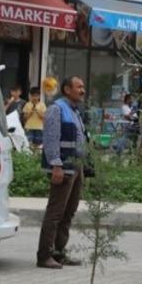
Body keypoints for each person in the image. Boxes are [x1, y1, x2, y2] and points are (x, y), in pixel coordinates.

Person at [37, 76, 88, 269]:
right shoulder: (56, 109)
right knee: (55, 213)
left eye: (82, 87)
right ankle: (44, 255)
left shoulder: (75, 111)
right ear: (67, 89)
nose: (82, 90)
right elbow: (51, 140)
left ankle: (59, 253)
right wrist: (56, 166)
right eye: (79, 86)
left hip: (76, 167)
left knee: (68, 213)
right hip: (63, 169)